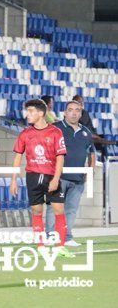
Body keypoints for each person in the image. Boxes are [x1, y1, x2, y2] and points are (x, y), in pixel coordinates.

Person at [9, 99, 72, 257]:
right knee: (36, 210)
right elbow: (17, 157)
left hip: (52, 176)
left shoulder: (55, 132)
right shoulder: (25, 133)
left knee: (59, 209)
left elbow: (60, 158)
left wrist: (56, 179)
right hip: (33, 176)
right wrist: (13, 180)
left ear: (41, 113)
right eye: (27, 111)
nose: (27, 115)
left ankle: (60, 246)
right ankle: (40, 246)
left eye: (31, 111)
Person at [44, 100, 96, 248]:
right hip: (58, 177)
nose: (74, 113)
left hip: (78, 178)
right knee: (53, 207)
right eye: (71, 110)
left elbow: (92, 153)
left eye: (77, 110)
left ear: (81, 113)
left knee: (71, 209)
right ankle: (50, 236)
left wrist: (90, 170)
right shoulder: (54, 128)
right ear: (65, 112)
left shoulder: (86, 131)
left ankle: (66, 237)